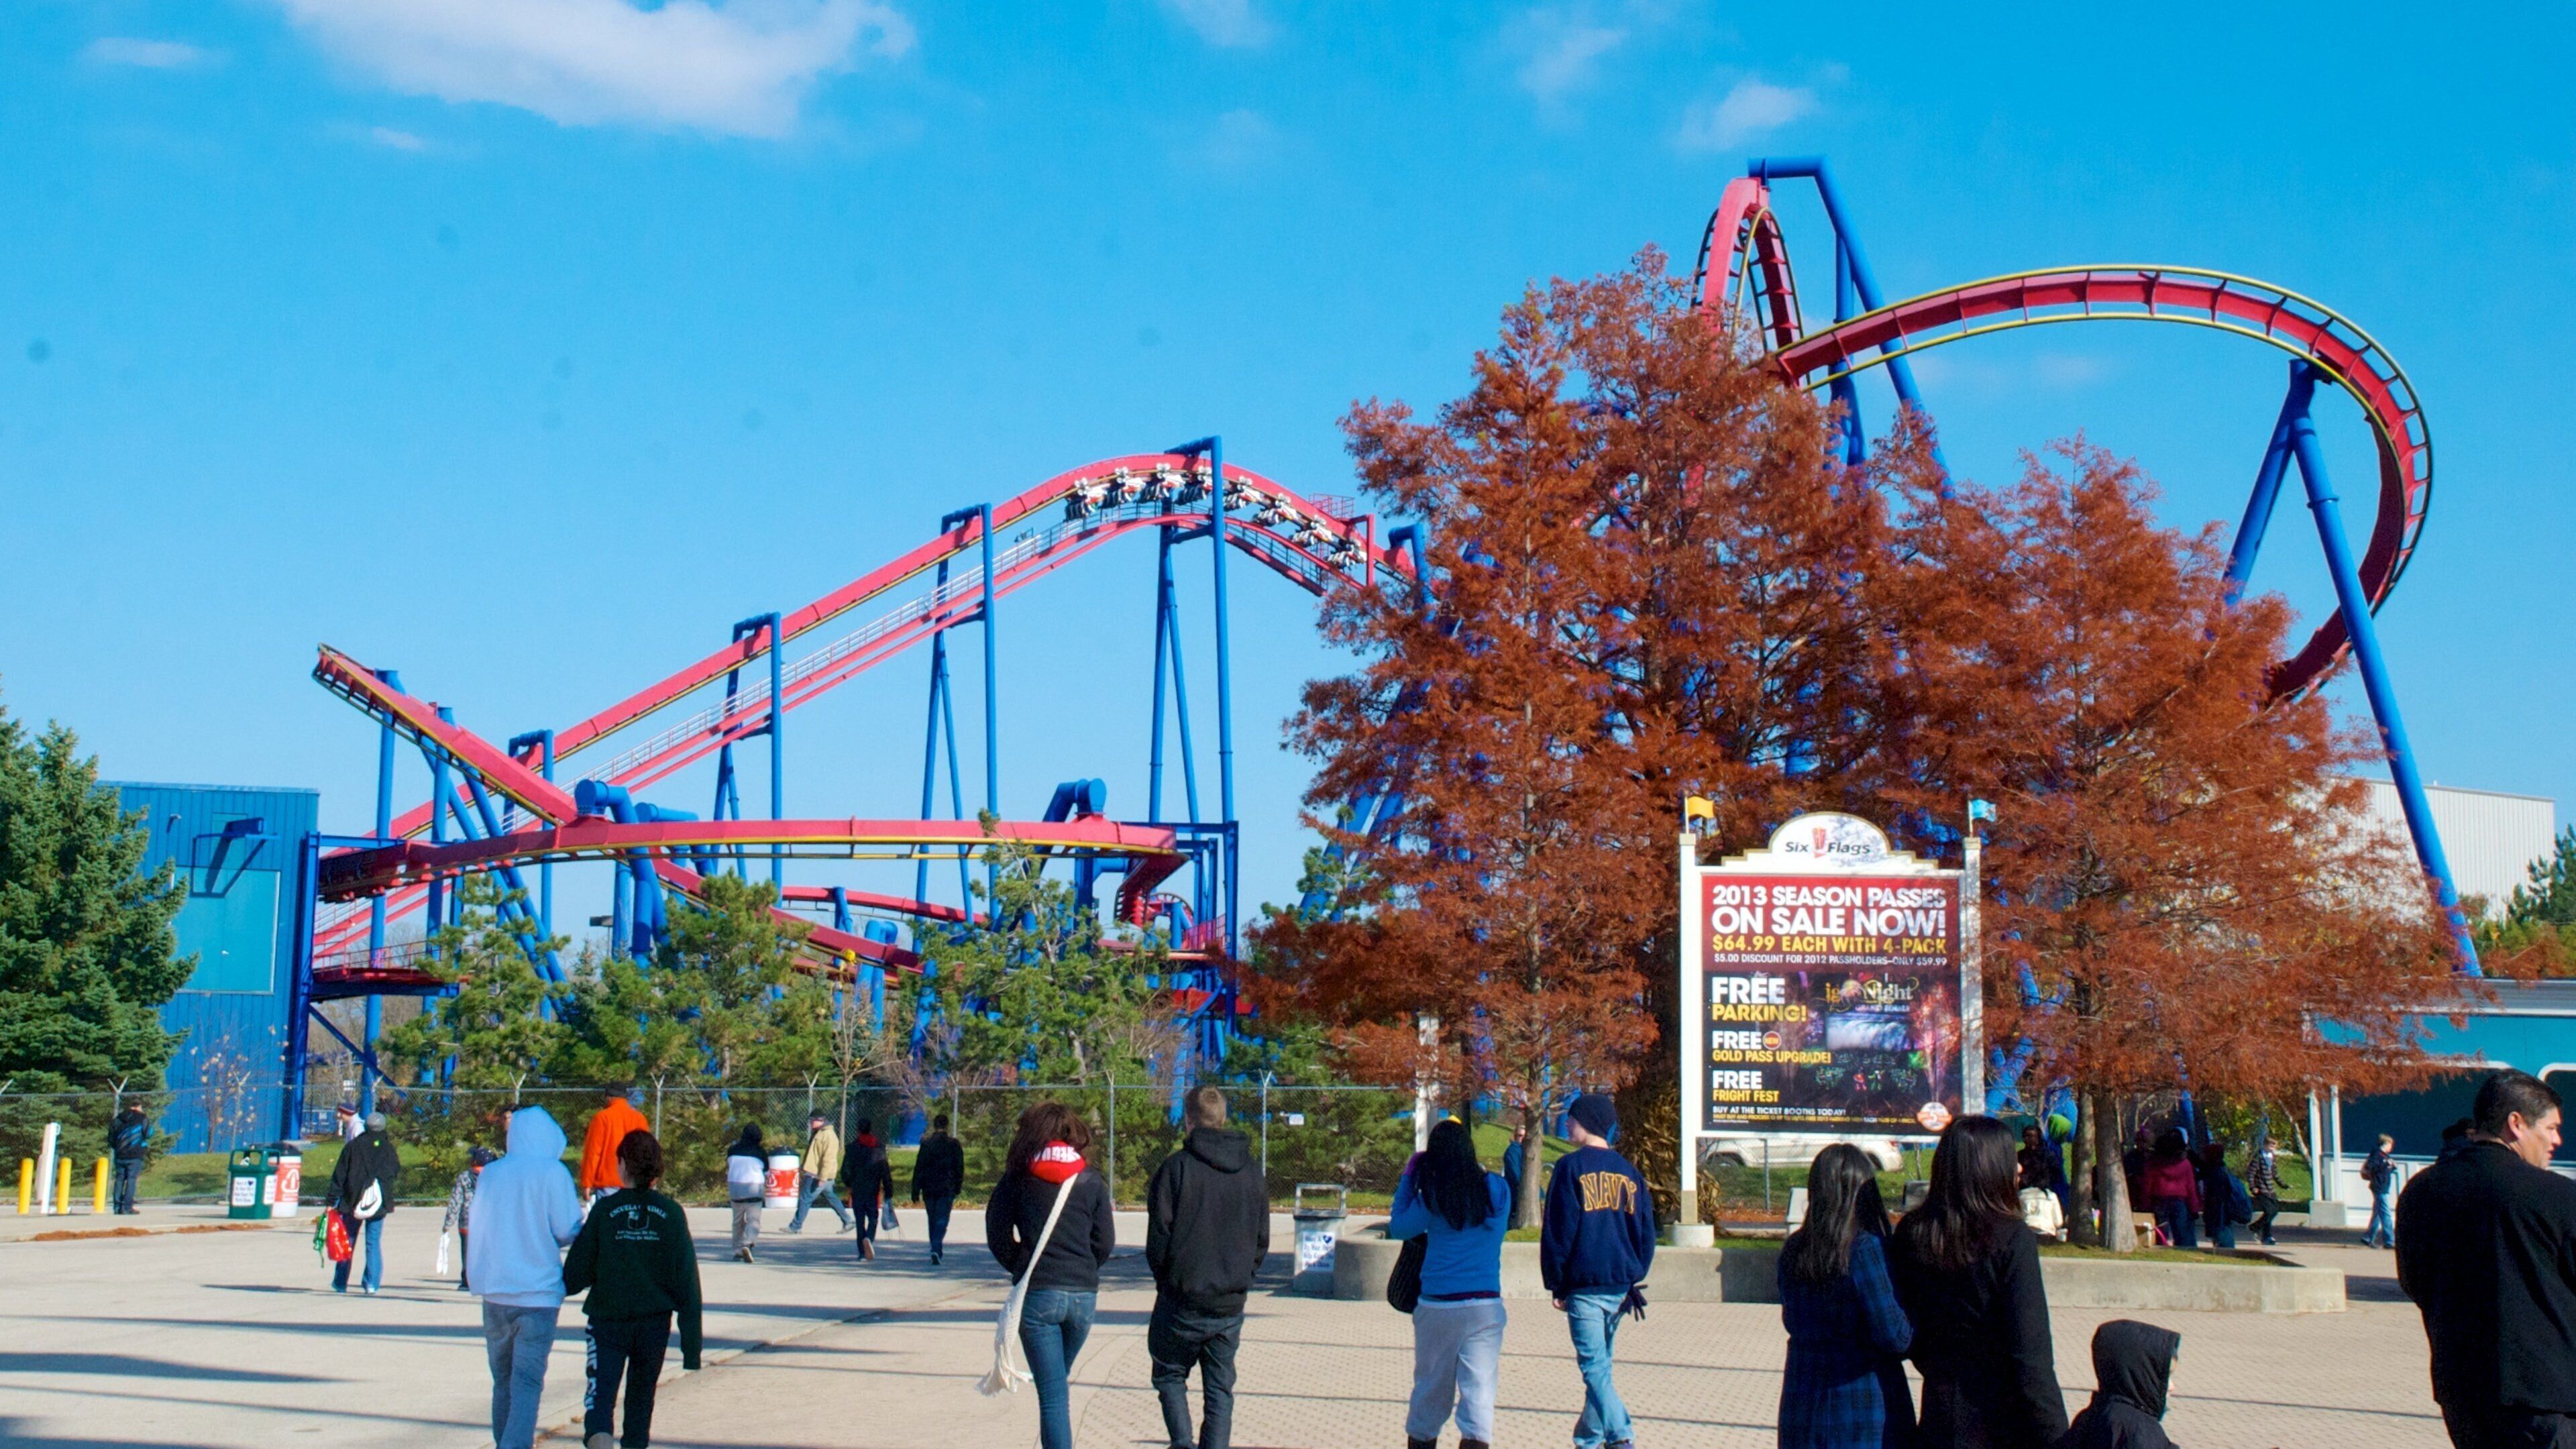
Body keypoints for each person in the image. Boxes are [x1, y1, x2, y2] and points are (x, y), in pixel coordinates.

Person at [2396, 1069, 2576, 1448]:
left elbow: (2414, 1283)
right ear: (2516, 1124)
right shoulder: (2557, 1197)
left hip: (2462, 1391)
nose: (2557, 1140)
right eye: (2551, 1128)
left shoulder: (2420, 1191)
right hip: (2546, 1398)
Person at [1888, 1114, 2068, 1449]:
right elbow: (2032, 1359)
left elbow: (1906, 1328)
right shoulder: (2011, 1237)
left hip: (1939, 1415)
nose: (2018, 1168)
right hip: (2002, 1422)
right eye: (2009, 1158)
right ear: (1988, 1167)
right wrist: (2059, 1438)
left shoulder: (1913, 1232)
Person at [1144, 1084, 1270, 1449]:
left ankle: (1182, 1442)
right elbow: (1261, 1239)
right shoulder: (1252, 1173)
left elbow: (1158, 1238)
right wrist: (1242, 1278)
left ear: (1188, 1121)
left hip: (1182, 1299)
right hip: (1228, 1303)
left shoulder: (1176, 1169)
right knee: (1220, 1389)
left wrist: (1169, 1282)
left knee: (1169, 1375)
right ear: (1223, 1118)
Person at [985, 1102, 1116, 1449]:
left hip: (1038, 1297)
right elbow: (1105, 1241)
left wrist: (1022, 1265)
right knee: (1056, 1386)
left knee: (1054, 1396)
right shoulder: (1090, 1180)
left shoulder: (1017, 1178)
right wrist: (1083, 1268)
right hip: (1083, 1298)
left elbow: (997, 1236)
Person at [564, 1130, 703, 1449]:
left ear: (623, 1165)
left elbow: (577, 1270)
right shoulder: (671, 1213)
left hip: (607, 1321)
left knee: (600, 1398)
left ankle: (600, 1439)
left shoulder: (605, 1211)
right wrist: (691, 1348)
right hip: (654, 1324)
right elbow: (687, 1282)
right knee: (641, 1403)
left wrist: (562, 1286)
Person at [1778, 1142, 1914, 1449]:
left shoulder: (1794, 1249)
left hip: (1802, 1401)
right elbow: (1895, 1336)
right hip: (1860, 1407)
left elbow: (1792, 1320)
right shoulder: (1864, 1249)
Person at [1540, 1093, 1654, 1449]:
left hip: (1585, 1287)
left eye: (1572, 1119)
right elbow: (1646, 1232)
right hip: (1619, 1286)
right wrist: (1633, 1274)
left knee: (1594, 1368)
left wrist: (1557, 1283)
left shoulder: (1570, 1168)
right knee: (1600, 1368)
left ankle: (1621, 1436)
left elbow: (1559, 1230)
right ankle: (1588, 1439)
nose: (1567, 1124)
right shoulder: (1630, 1172)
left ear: (1587, 1122)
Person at [1388, 1118, 1510, 1449]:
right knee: (1479, 1394)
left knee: (1430, 1391)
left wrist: (1409, 1176)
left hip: (1438, 1305)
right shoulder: (1498, 1190)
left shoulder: (1434, 1194)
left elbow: (1399, 1227)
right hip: (1485, 1305)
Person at [469, 1105, 585, 1449]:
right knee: (527, 1382)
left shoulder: (491, 1173)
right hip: (538, 1292)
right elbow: (566, 1230)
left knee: (502, 1381)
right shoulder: (553, 1172)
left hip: (495, 1289)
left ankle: (504, 1441)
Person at [2057, 1320, 2181, 1449]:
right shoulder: (2138, 1430)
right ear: (2140, 1376)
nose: (2172, 1387)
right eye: (2164, 1378)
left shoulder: (2091, 1416)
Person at [328, 1110, 402, 1295]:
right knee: (373, 1242)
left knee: (348, 1240)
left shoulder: (353, 1146)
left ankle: (340, 1282)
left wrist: (331, 1200)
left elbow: (340, 1174)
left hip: (352, 1199)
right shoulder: (388, 1149)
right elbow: (395, 1171)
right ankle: (371, 1283)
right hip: (378, 1202)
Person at [578, 1087, 649, 1205]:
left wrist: (587, 1183)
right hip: (634, 1181)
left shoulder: (602, 1117)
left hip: (608, 1182)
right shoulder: (639, 1118)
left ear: (609, 1098)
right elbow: (647, 1152)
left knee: (610, 1215)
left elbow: (593, 1153)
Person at [914, 1112, 967, 1265]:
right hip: (946, 1187)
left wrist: (915, 1190)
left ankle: (935, 1247)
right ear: (947, 1126)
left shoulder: (926, 1144)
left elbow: (919, 1168)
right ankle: (936, 1247)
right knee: (942, 1219)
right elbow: (959, 1167)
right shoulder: (954, 1145)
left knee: (932, 1219)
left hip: (929, 1187)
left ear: (934, 1125)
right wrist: (958, 1185)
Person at [788, 1111, 853, 1234]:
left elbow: (828, 1159)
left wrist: (823, 1177)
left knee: (805, 1199)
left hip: (818, 1175)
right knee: (831, 1197)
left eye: (812, 1120)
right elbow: (813, 1154)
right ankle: (848, 1221)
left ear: (820, 1120)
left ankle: (795, 1226)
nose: (810, 1123)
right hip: (816, 1173)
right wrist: (804, 1167)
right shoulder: (818, 1133)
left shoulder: (828, 1136)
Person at [840, 1116, 895, 1261]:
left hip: (857, 1190)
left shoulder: (852, 1148)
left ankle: (862, 1253)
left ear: (858, 1130)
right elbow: (885, 1171)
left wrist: (850, 1184)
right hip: (873, 1189)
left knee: (859, 1221)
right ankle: (869, 1238)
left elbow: (845, 1171)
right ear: (870, 1129)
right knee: (873, 1218)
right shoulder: (878, 1148)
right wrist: (888, 1189)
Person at [443, 1146, 495, 1291]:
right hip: (488, 1222)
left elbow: (456, 1201)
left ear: (475, 1161)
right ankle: (486, 1279)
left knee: (467, 1252)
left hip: (467, 1221)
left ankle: (467, 1280)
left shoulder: (464, 1177)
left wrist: (448, 1223)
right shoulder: (494, 1177)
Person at [2138, 1129, 2200, 1250]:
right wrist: (2194, 1208)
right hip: (2180, 1201)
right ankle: (2182, 1251)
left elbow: (2147, 1186)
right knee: (2181, 1233)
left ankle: (2162, 1249)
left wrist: (2145, 1204)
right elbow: (2191, 1188)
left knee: (2161, 1233)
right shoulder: (2185, 1164)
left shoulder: (2153, 1164)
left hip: (2159, 1201)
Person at [724, 1125, 767, 1263]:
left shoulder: (732, 1150)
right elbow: (766, 1172)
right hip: (753, 1187)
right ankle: (748, 1243)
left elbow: (729, 1166)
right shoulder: (760, 1152)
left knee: (737, 1221)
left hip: (735, 1187)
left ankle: (737, 1250)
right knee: (753, 1219)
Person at [2197, 1142, 2249, 1252]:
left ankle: (2227, 1253)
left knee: (2223, 1240)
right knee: (2224, 1235)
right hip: (2224, 1212)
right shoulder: (2222, 1169)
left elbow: (2215, 1197)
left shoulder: (2216, 1173)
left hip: (2219, 1213)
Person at [109, 1104, 150, 1215]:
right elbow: (148, 1133)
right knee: (131, 1179)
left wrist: (117, 1148)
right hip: (135, 1154)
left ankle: (117, 1207)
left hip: (120, 1154)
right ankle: (127, 1207)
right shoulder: (142, 1118)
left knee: (119, 1179)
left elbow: (111, 1138)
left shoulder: (118, 1119)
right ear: (139, 1106)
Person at [2244, 1136, 2284, 1247]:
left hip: (2270, 1189)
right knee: (2270, 1211)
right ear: (2265, 1145)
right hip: (2261, 1189)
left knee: (2274, 1211)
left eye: (2275, 1147)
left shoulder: (2272, 1157)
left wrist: (2282, 1184)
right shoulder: (2258, 1157)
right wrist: (2253, 1187)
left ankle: (2267, 1236)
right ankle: (2254, 1227)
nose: (2273, 1149)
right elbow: (2251, 1173)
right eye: (2271, 1146)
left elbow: (2274, 1173)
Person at [2362, 1133, 2399, 1248]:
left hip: (2383, 1187)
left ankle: (2368, 1237)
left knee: (2378, 1213)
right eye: (2390, 1145)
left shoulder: (2385, 1156)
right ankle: (2389, 1241)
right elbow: (2372, 1168)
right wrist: (2385, 1164)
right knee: (2386, 1214)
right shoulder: (2377, 1155)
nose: (2391, 1147)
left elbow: (2385, 1171)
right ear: (2385, 1144)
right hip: (2379, 1187)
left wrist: (2392, 1166)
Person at [1502, 1123, 1531, 1228]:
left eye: (1525, 1136)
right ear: (1515, 1136)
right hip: (1515, 1192)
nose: (1522, 1139)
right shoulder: (1513, 1151)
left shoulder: (1527, 1151)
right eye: (1520, 1136)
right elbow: (1515, 1174)